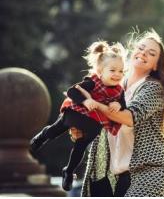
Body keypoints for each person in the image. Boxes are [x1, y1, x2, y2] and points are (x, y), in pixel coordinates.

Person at [71, 29, 164, 197]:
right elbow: (99, 124)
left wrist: (95, 104)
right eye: (141, 48)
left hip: (148, 174)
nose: (143, 53)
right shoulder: (114, 85)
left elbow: (129, 117)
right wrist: (81, 131)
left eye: (151, 53)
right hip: (114, 174)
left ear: (155, 65)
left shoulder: (153, 87)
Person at [29, 41, 127, 191]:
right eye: (113, 70)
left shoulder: (119, 91)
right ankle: (40, 138)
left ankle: (68, 171)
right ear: (100, 72)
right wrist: (86, 100)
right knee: (55, 130)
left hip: (93, 122)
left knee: (80, 146)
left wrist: (118, 105)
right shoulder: (93, 83)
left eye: (121, 71)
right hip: (77, 113)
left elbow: (123, 105)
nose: (117, 74)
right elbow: (71, 92)